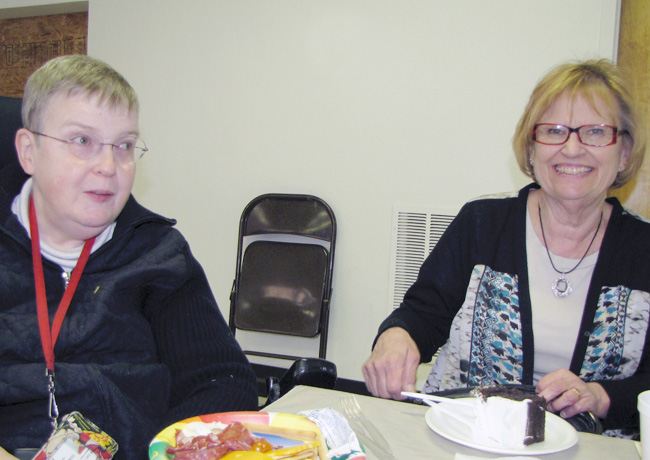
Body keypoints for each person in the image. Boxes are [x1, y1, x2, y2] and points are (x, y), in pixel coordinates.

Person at [362, 59, 650, 438]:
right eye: (554, 131)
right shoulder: (482, 222)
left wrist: (601, 396)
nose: (572, 148)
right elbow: (423, 313)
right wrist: (396, 336)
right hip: (464, 436)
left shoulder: (643, 248)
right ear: (531, 149)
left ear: (624, 152)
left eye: (595, 132)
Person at [0, 55, 258, 459]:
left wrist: (161, 452)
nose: (109, 166)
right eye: (82, 141)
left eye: (123, 145)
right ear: (28, 151)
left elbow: (224, 384)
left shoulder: (158, 253)